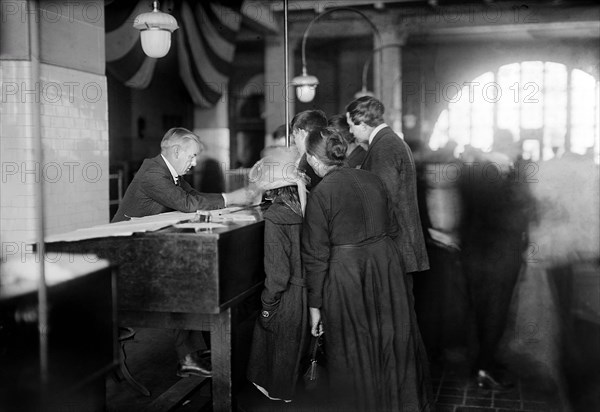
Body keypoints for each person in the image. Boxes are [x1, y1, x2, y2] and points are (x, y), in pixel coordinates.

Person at [301, 127, 432, 411]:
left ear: (312, 159)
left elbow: (315, 255)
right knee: (390, 343)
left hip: (347, 273)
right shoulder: (372, 179)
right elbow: (394, 228)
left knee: (354, 349)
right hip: (386, 269)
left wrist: (315, 306)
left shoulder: (321, 193)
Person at [112, 127, 258, 378]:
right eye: (192, 156)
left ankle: (198, 352)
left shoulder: (170, 173)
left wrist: (232, 199)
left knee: (194, 280)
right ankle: (190, 355)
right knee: (187, 284)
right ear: (176, 151)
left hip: (146, 247)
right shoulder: (153, 174)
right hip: (127, 256)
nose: (195, 162)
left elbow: (194, 195)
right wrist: (233, 197)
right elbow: (187, 204)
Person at [457, 129, 533, 389]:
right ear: (509, 147)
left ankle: (479, 362)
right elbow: (508, 219)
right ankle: (485, 367)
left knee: (478, 311)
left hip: (472, 253)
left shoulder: (470, 172)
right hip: (498, 256)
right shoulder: (505, 177)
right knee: (496, 312)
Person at [246, 146, 309, 402]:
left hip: (286, 296)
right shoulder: (306, 205)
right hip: (306, 291)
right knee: (295, 352)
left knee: (275, 348)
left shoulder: (275, 217)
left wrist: (267, 303)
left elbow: (277, 273)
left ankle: (278, 395)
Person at [345, 96, 429, 276]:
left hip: (395, 248)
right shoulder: (389, 141)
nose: (350, 132)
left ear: (363, 124)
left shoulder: (384, 148)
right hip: (401, 245)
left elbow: (383, 200)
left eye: (351, 125)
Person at [290, 110, 328, 191]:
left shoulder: (305, 162)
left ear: (301, 133)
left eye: (294, 136)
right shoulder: (328, 155)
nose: (294, 142)